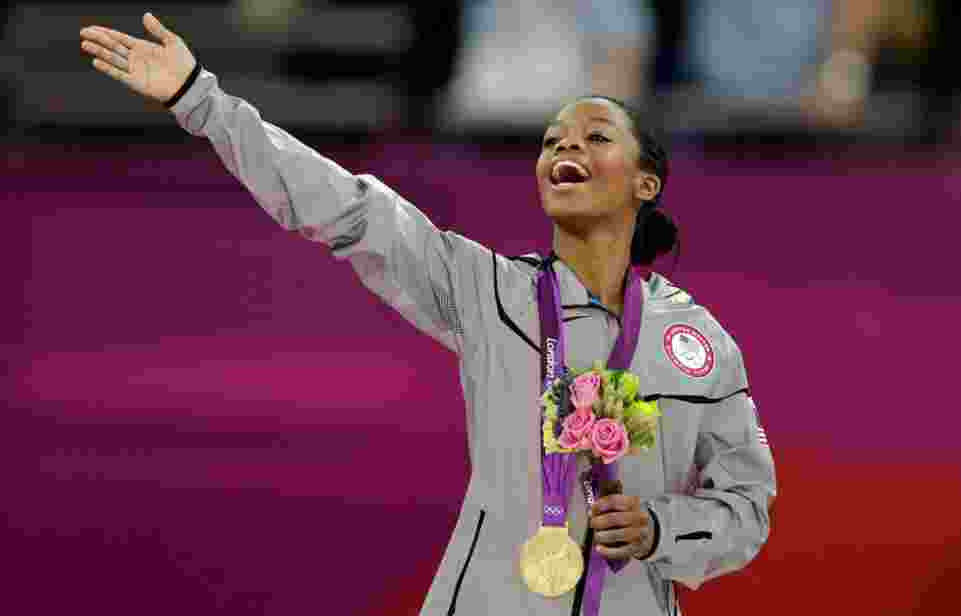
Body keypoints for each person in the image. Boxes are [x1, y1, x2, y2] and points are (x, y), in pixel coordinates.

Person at [79, 14, 776, 615]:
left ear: (646, 182)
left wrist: (661, 528)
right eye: (552, 140)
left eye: (596, 138)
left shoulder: (699, 343)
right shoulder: (489, 292)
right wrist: (202, 101)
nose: (565, 147)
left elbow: (748, 505)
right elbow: (347, 207)